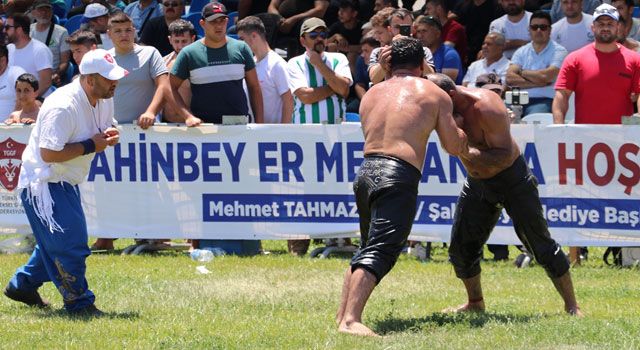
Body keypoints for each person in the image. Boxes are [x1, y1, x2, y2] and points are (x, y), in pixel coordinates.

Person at [336, 37, 468, 337]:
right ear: (422, 64)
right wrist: (461, 130)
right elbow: (452, 146)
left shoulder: (371, 95)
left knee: (368, 246)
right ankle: (350, 321)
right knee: (382, 250)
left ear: (388, 63)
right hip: (397, 174)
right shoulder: (433, 93)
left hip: (366, 172)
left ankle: (342, 315)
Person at [427, 72, 582, 317]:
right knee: (460, 249)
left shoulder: (486, 107)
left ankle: (573, 306)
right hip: (478, 182)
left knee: (540, 245)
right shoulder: (442, 106)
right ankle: (475, 302)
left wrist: (463, 148)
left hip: (512, 178)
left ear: (452, 95)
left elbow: (501, 156)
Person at [3, 48, 126, 316]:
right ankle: (79, 303)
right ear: (89, 80)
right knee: (71, 243)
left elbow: (105, 127)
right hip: (44, 182)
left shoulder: (104, 96)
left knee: (56, 241)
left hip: (65, 181)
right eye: (109, 78)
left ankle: (21, 284)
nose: (115, 82)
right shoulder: (62, 106)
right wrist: (89, 145)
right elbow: (48, 154)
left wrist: (109, 134)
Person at [285, 17, 351, 254]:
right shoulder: (294, 63)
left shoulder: (338, 59)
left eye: (323, 34)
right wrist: (333, 88)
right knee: (303, 190)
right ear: (303, 40)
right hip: (305, 136)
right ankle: (298, 246)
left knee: (338, 187)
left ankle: (339, 240)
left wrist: (321, 66)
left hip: (335, 133)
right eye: (314, 35)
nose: (320, 39)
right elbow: (304, 96)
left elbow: (345, 89)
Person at [169, 1, 264, 126]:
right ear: (202, 23)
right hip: (203, 128)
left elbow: (254, 88)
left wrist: (260, 124)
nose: (219, 25)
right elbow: (170, 88)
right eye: (213, 21)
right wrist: (187, 116)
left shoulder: (242, 48)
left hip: (238, 126)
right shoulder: (188, 53)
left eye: (222, 20)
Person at [553, 3, 640, 125]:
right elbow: (562, 94)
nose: (605, 28)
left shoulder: (635, 59)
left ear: (618, 27)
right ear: (593, 27)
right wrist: (558, 127)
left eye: (610, 24)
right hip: (584, 136)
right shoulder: (574, 59)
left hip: (622, 137)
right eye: (600, 24)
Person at [506, 11, 567, 116]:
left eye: (543, 27)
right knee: (499, 116)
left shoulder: (560, 51)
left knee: (534, 119)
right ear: (529, 30)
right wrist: (538, 82)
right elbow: (510, 79)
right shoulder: (521, 51)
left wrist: (520, 72)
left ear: (550, 30)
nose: (538, 30)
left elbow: (545, 77)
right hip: (517, 99)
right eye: (534, 27)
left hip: (544, 100)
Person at [237, 16, 293, 124]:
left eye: (241, 39)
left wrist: (284, 133)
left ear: (254, 36)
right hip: (255, 134)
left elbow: (289, 100)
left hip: (274, 136)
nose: (239, 44)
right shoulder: (250, 64)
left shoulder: (277, 63)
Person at [4, 13, 53, 98]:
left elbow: (46, 82)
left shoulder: (40, 50)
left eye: (7, 28)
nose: (4, 31)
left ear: (19, 30)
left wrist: (26, 101)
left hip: (35, 102)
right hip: (13, 99)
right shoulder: (8, 49)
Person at [29, 0, 70, 87]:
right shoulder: (28, 30)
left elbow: (65, 62)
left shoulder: (61, 32)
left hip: (50, 76)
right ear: (33, 13)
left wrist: (56, 74)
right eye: (40, 9)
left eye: (47, 9)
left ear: (52, 12)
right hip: (30, 76)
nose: (44, 12)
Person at [162, 19, 195, 123]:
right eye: (176, 41)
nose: (180, 46)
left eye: (184, 41)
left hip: (193, 123)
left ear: (192, 39)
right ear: (170, 40)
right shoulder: (163, 62)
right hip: (166, 123)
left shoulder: (199, 62)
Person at [414, 15, 463, 84]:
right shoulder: (417, 53)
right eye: (418, 31)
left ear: (437, 33)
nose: (420, 36)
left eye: (424, 31)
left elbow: (445, 85)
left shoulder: (450, 55)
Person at [424, 0, 468, 64]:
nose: (426, 12)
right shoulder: (432, 28)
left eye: (428, 9)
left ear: (438, 9)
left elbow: (445, 49)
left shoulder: (455, 28)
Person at [0, 44, 26, 119]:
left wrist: (11, 120)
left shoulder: (16, 72)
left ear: (7, 60)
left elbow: (24, 97)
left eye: (1, 60)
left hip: (11, 127)